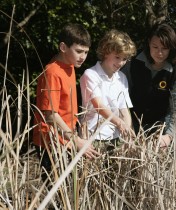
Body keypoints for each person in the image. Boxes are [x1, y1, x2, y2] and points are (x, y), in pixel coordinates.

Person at [32, 23, 100, 182]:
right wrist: (76, 141)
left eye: (86, 52)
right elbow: (49, 115)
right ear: (63, 47)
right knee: (57, 190)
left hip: (66, 137)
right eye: (78, 51)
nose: (82, 57)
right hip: (51, 141)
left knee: (69, 188)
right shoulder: (52, 72)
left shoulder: (70, 66)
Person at [121, 23, 176, 148]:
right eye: (155, 47)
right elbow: (119, 100)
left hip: (163, 125)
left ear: (171, 48)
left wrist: (168, 136)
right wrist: (127, 128)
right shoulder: (130, 62)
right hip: (130, 123)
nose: (159, 53)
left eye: (164, 48)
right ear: (148, 43)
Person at [79, 29, 136, 153]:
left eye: (125, 59)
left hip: (116, 138)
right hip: (93, 137)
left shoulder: (122, 78)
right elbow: (99, 106)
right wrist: (120, 124)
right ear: (106, 52)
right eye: (117, 57)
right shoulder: (90, 75)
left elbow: (124, 109)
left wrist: (127, 134)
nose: (121, 62)